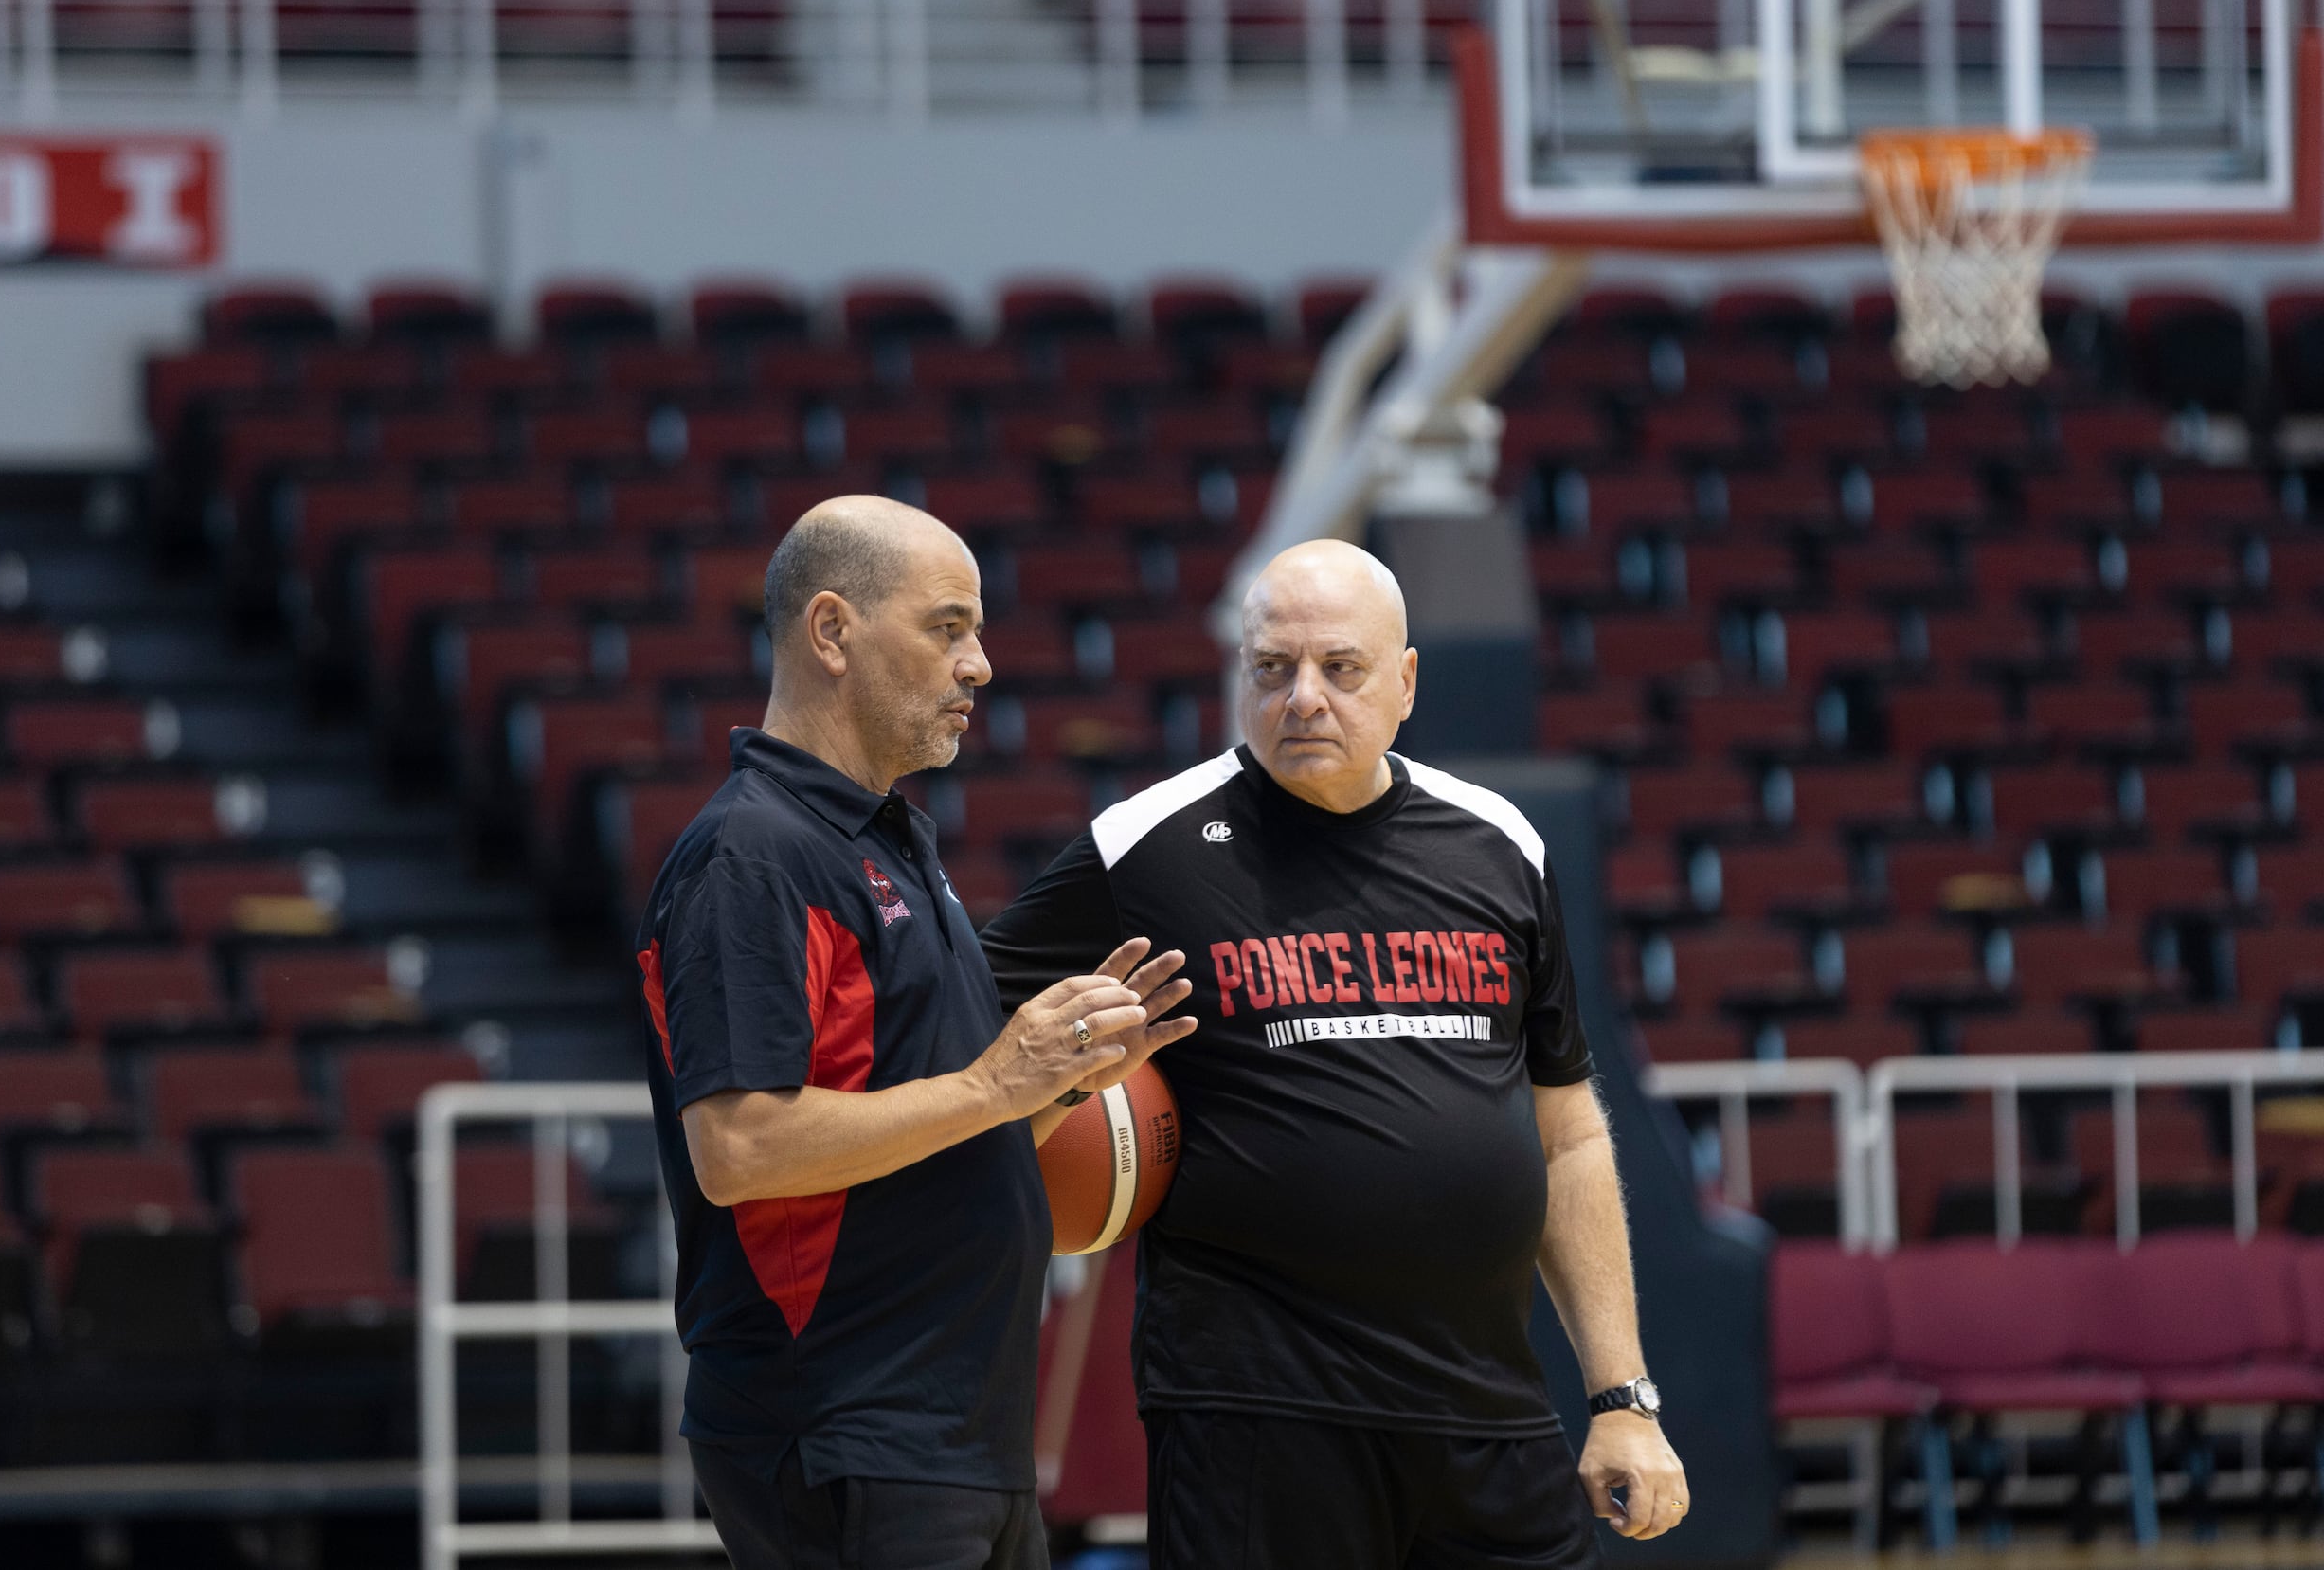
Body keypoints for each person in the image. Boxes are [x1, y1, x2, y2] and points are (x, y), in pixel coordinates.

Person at [982, 538, 1688, 1569]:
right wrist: (1054, 1087)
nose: (1302, 697)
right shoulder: (1146, 846)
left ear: (1404, 681)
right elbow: (963, 1021)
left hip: (1484, 1404)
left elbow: (1568, 1131)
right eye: (1271, 670)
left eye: (1339, 668)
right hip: (1257, 1420)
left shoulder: (1499, 844)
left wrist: (1621, 1397)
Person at [635, 496, 1197, 1570]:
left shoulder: (884, 841)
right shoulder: (751, 855)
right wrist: (999, 1081)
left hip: (954, 1434)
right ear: (833, 633)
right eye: (948, 629)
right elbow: (740, 1148)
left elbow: (917, 1130)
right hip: (847, 1423)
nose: (979, 665)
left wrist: (1057, 1087)